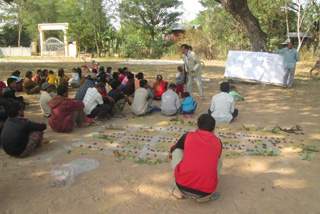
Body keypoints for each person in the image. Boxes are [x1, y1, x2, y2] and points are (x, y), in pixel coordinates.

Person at [168, 114, 222, 202]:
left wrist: (171, 153)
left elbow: (175, 147)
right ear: (214, 129)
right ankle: (205, 198)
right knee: (218, 161)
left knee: (177, 150)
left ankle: (177, 192)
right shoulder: (218, 142)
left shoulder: (187, 136)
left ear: (197, 126)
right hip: (205, 194)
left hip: (181, 187)